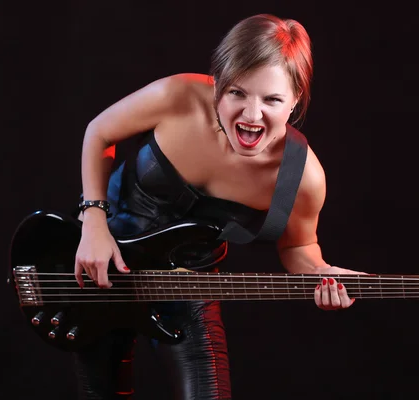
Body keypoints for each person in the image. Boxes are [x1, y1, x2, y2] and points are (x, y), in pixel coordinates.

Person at [73, 13, 366, 400]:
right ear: (218, 84)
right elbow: (100, 132)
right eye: (237, 93)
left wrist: (322, 273)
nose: (251, 114)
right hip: (103, 268)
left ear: (296, 100)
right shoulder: (177, 97)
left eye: (273, 99)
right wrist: (93, 222)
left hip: (191, 283)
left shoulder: (304, 177)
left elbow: (297, 247)